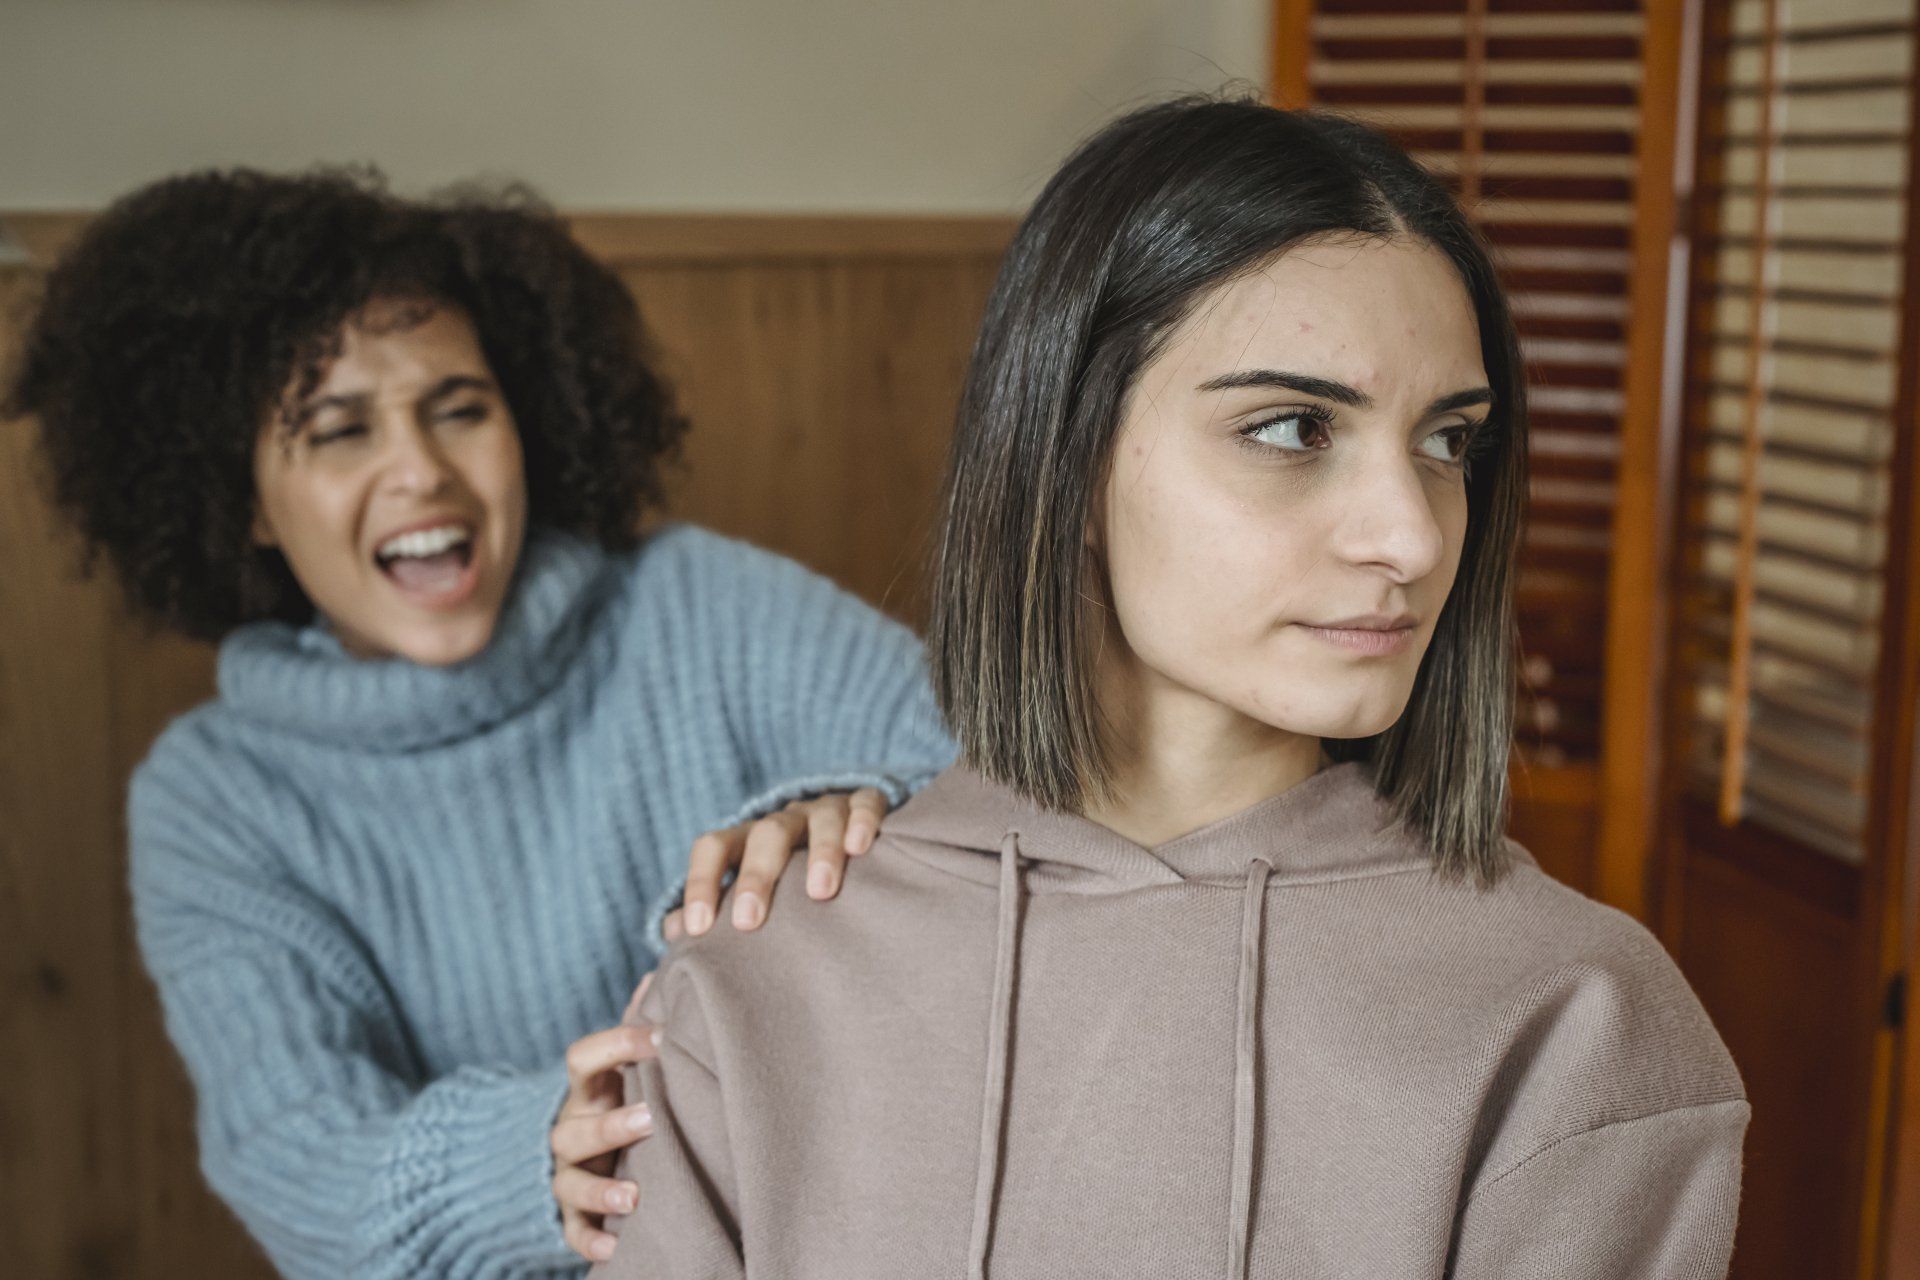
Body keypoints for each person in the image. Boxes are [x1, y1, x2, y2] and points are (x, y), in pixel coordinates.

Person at [592, 97, 1750, 1279]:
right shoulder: (755, 976)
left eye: (1449, 442)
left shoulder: (1577, 1013)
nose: (1411, 534)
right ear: (1068, 456)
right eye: (1295, 427)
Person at [6, 168, 954, 1277]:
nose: (421, 470)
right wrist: (540, 1149)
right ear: (246, 501)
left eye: (460, 408)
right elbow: (298, 1154)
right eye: (338, 429)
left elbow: (1005, 772)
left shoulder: (701, 604)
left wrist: (873, 803)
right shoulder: (216, 794)